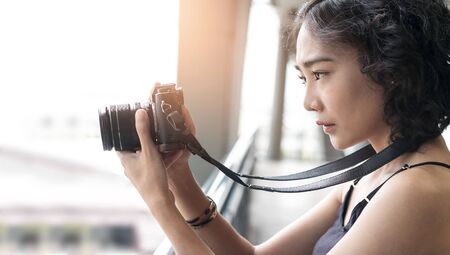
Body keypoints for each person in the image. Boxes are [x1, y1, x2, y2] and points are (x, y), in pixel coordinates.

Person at [117, 0, 450, 254]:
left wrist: (159, 201)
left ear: (390, 66)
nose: (308, 101)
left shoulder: (418, 190)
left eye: (320, 74)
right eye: (304, 78)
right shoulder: (379, 171)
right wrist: (179, 178)